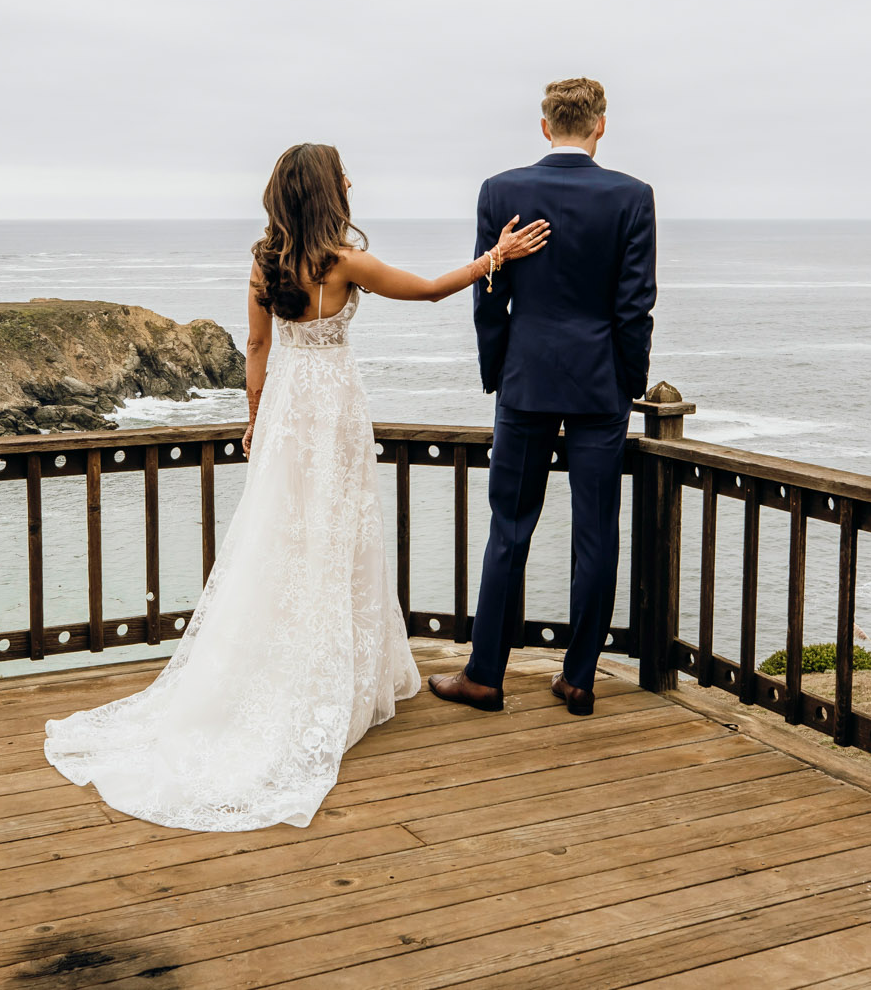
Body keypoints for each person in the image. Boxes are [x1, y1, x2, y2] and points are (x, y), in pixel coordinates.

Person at [43, 142, 549, 831]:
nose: (351, 178)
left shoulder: (265, 261)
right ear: (326, 190)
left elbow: (255, 349)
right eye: (342, 173)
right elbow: (429, 289)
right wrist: (496, 258)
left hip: (288, 408)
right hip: (336, 408)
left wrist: (255, 422)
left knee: (282, 537)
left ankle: (286, 671)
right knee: (339, 533)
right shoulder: (343, 262)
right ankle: (330, 681)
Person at [429, 77, 656, 717]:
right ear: (601, 125)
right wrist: (626, 382)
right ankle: (579, 678)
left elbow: (488, 292)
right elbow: (635, 305)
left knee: (509, 527)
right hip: (598, 386)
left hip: (527, 379)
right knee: (596, 533)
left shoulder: (502, 191)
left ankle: (484, 676)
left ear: (544, 124)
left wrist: (501, 369)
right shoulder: (632, 197)